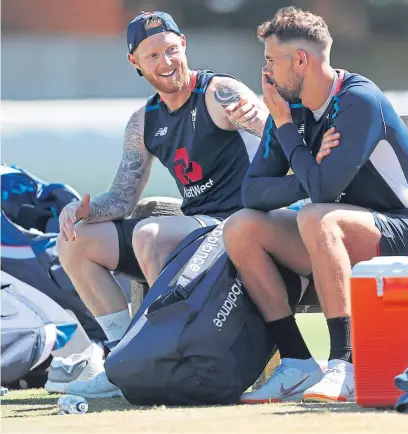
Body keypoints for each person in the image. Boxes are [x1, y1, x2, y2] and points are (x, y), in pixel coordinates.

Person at [223, 7, 408, 404]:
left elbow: (323, 194)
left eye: (271, 61)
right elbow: (251, 194)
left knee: (316, 217)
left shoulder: (357, 101)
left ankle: (345, 365)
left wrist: (289, 135)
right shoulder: (287, 110)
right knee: (241, 227)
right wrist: (302, 172)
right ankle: (296, 363)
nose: (266, 73)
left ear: (301, 61)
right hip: (333, 235)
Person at [46, 11, 268, 398]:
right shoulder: (143, 122)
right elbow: (121, 198)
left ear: (183, 44)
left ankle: (162, 357)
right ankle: (123, 360)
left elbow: (274, 133)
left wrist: (262, 120)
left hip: (236, 228)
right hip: (193, 231)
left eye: (171, 50)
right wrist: (82, 211)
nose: (166, 62)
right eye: (152, 56)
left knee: (151, 235)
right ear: (135, 61)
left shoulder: (219, 92)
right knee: (74, 240)